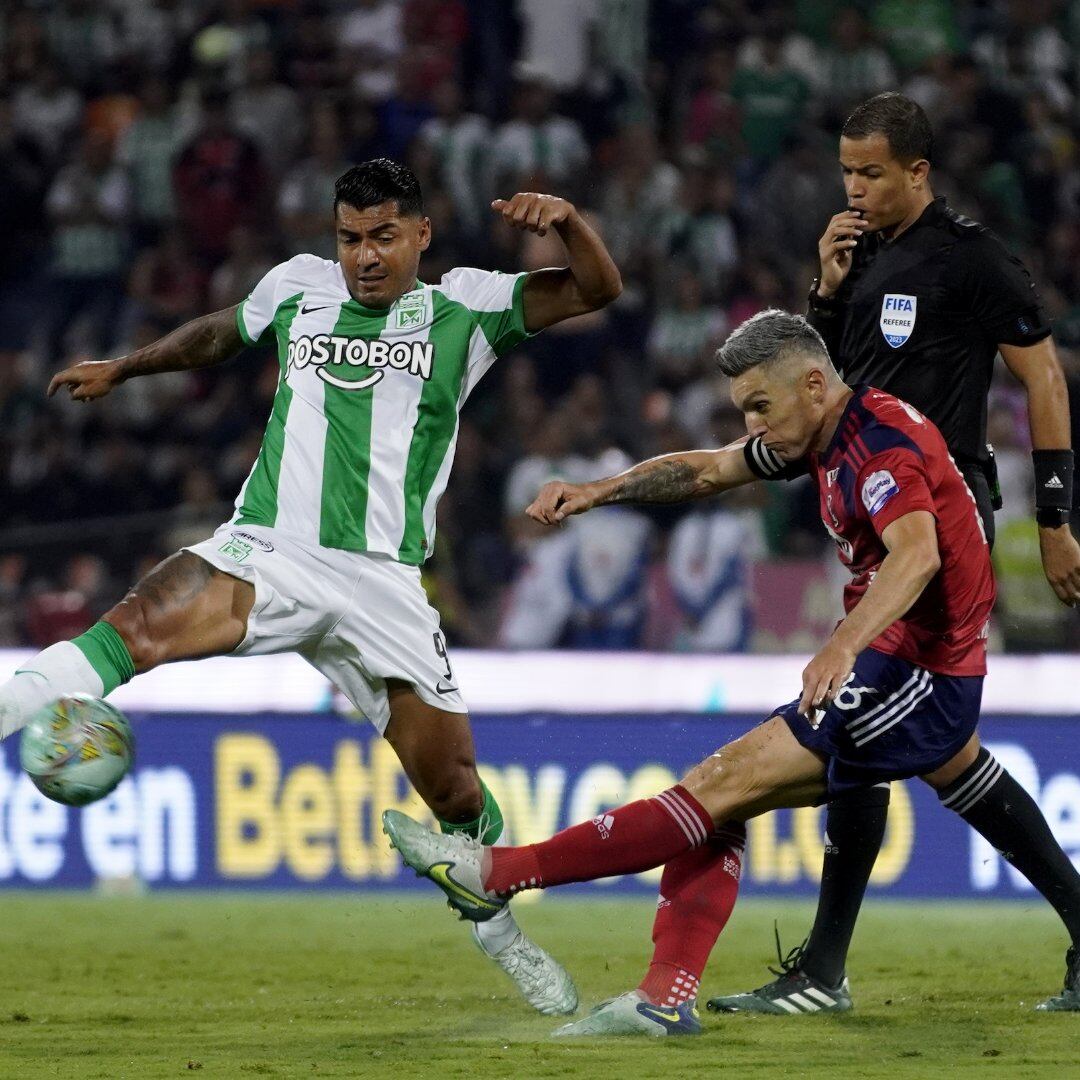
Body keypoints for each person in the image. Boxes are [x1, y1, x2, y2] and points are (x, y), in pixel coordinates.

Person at [30, 158, 623, 1016]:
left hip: (384, 582)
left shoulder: (470, 305)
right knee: (140, 627)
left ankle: (496, 929)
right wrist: (125, 367)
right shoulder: (296, 288)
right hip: (271, 548)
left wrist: (566, 222)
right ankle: (24, 698)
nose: (365, 256)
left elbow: (598, 289)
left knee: (456, 790)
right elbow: (217, 335)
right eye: (349, 238)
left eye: (383, 236)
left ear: (420, 233)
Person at [384, 310, 1080, 1035]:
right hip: (900, 656)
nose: (752, 425)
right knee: (732, 793)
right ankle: (667, 996)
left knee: (722, 785)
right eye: (744, 409)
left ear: (814, 384)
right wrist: (598, 492)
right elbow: (709, 468)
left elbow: (917, 555)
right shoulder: (825, 429)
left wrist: (843, 643)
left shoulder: (878, 446)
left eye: (760, 407)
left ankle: (498, 875)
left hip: (920, 670)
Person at [707, 91, 1080, 1015]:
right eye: (847, 172)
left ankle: (823, 972)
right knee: (947, 755)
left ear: (918, 170)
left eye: (872, 172)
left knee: (855, 723)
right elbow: (827, 385)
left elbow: (1043, 375)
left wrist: (1058, 516)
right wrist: (824, 294)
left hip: (938, 527)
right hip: (874, 518)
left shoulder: (974, 260)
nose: (855, 190)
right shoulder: (859, 258)